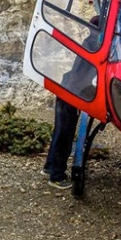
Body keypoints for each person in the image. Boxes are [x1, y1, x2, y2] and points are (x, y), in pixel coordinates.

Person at [43, 15, 101, 190]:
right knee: (65, 135)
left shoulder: (89, 43)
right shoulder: (95, 47)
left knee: (60, 131)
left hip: (65, 88)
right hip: (71, 94)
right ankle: (57, 176)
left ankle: (49, 167)